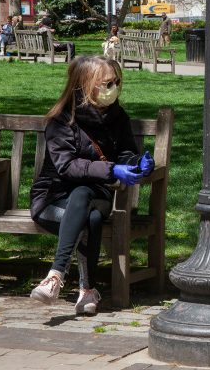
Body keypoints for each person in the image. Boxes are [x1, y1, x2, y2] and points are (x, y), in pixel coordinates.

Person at [29, 56, 155, 314]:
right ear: (85, 85)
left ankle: (55, 276)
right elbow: (67, 166)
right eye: (106, 83)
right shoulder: (61, 121)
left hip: (98, 192)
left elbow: (125, 152)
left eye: (116, 82)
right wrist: (111, 170)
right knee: (91, 217)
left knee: (85, 195)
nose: (113, 88)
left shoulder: (117, 116)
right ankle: (87, 290)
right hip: (52, 198)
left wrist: (137, 162)